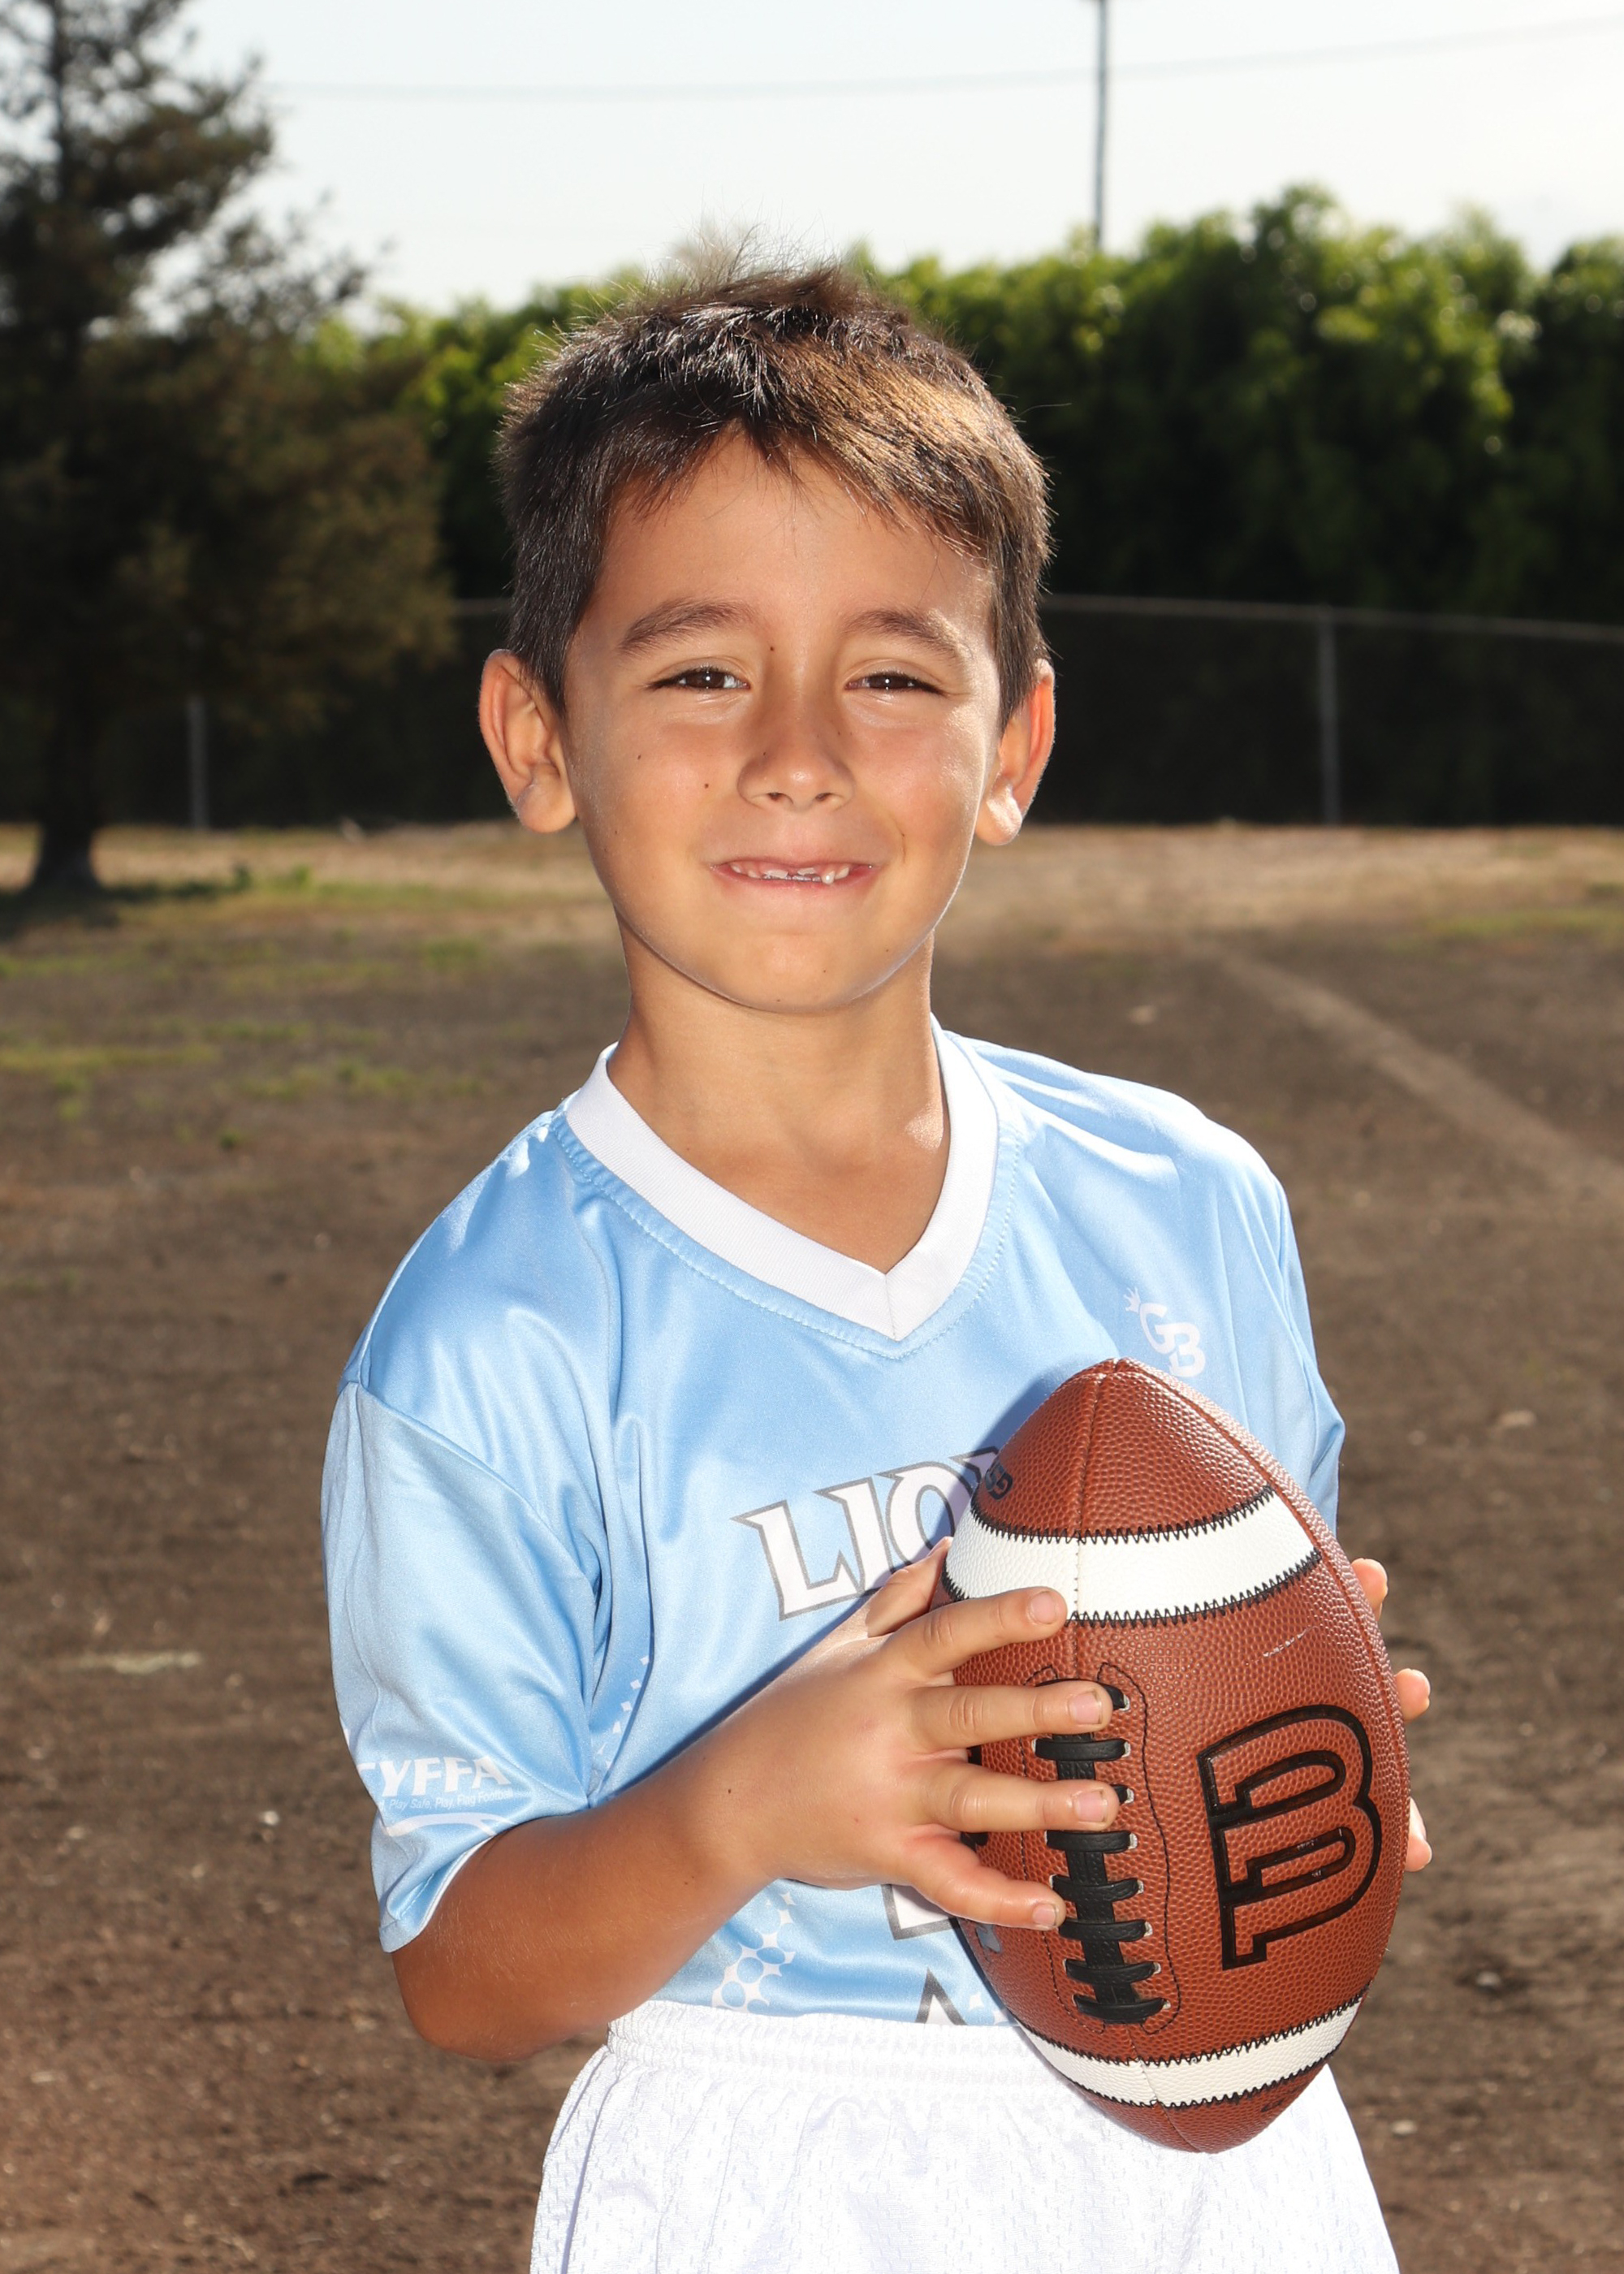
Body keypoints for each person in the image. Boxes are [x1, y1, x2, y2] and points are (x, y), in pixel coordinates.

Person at [321, 266, 1431, 2274]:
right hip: (774, 2168)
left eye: (896, 678)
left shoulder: (1186, 1203)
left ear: (1016, 743)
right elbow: (462, 1973)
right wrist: (738, 1802)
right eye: (699, 671)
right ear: (536, 735)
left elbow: (1256, 1684)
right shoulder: (493, 1339)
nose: (800, 751)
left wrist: (1304, 1769)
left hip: (1217, 2150)